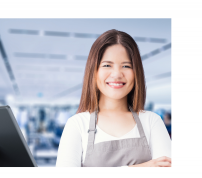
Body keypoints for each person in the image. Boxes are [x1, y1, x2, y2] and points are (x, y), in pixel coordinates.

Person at [56, 29, 171, 167]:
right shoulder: (77, 124)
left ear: (136, 72)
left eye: (126, 66)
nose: (117, 74)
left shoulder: (152, 122)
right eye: (107, 65)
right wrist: (138, 169)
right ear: (94, 71)